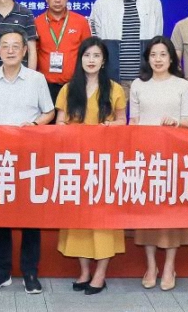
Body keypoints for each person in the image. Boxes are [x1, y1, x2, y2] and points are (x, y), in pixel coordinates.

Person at [0, 29, 54, 294]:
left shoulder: (36, 79)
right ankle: (2, 272)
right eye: (5, 46)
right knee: (0, 216)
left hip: (29, 157)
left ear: (24, 51)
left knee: (31, 217)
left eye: (16, 46)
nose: (10, 50)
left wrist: (34, 125)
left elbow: (49, 112)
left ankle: (30, 272)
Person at [55, 37, 126, 295]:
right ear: (80, 59)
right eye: (87, 55)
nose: (91, 60)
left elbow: (123, 122)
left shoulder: (115, 89)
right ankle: (84, 271)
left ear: (104, 60)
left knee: (102, 219)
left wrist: (108, 127)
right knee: (78, 219)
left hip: (104, 163)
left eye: (96, 56)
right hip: (75, 163)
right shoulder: (68, 89)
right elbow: (59, 123)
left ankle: (100, 273)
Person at [128, 36, 188, 292]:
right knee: (147, 214)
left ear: (171, 58)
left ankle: (169, 266)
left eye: (163, 54)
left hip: (174, 157)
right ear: (147, 59)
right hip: (145, 158)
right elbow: (133, 122)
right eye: (153, 55)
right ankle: (151, 266)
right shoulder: (138, 84)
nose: (158, 59)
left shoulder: (182, 85)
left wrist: (176, 124)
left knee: (171, 215)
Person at [89, 0, 163, 88]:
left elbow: (158, 39)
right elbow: (95, 39)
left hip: (146, 79)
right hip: (113, 80)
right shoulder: (102, 3)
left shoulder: (153, 2)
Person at [35, 0, 92, 100]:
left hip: (74, 85)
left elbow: (88, 53)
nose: (57, 0)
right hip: (45, 87)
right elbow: (33, 55)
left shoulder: (81, 22)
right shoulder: (37, 23)